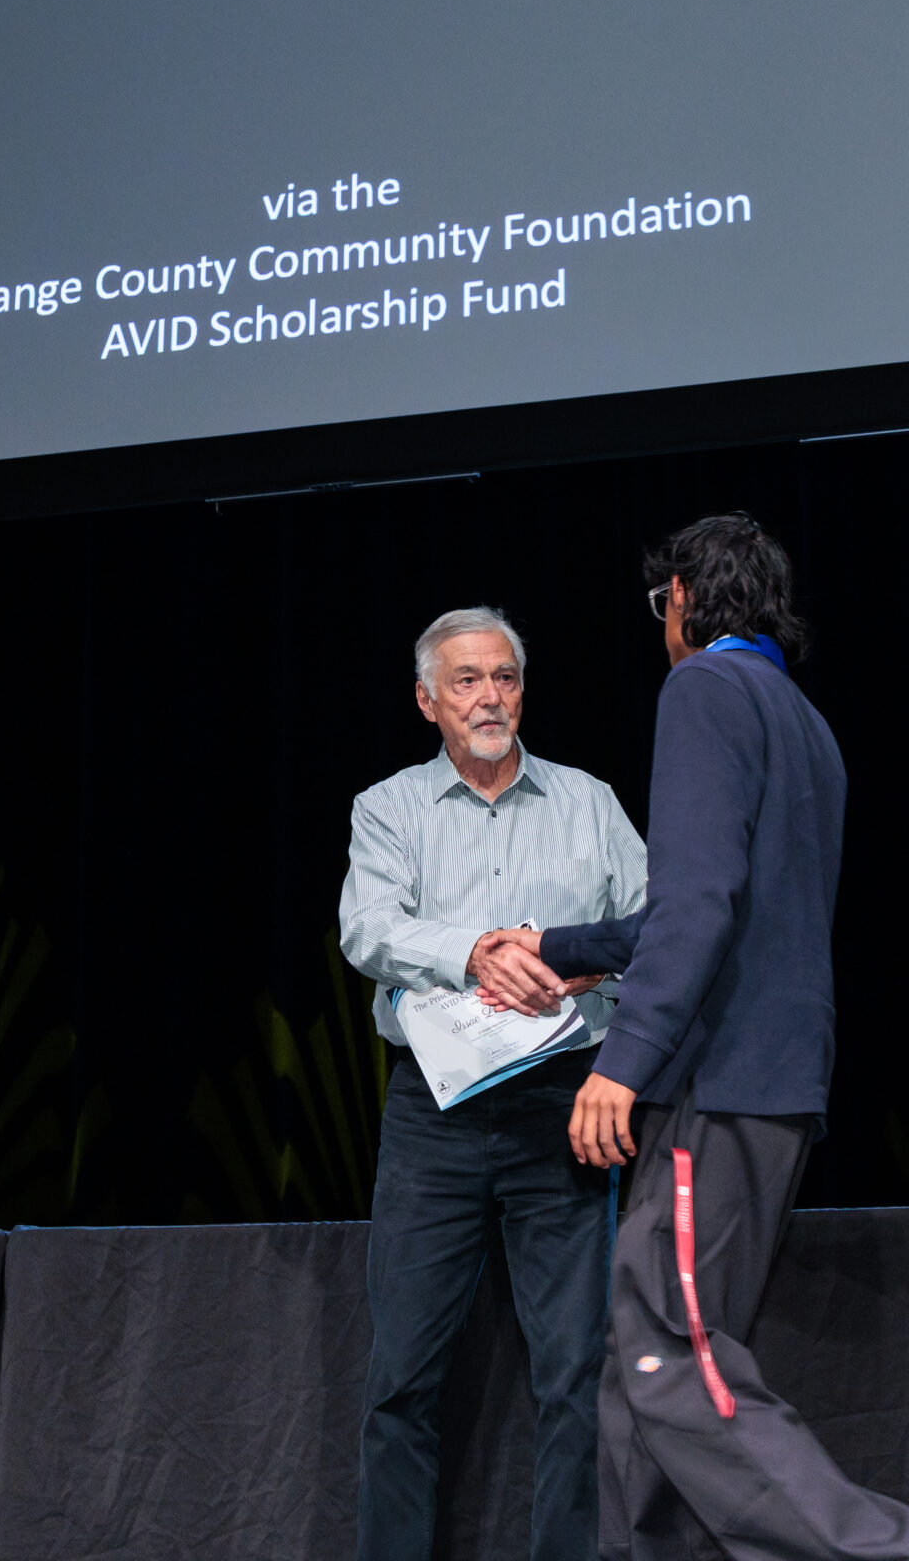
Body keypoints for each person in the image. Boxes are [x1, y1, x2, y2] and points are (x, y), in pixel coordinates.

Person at [500, 518, 909, 1561]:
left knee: (677, 1360)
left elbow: (700, 903)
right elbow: (711, 901)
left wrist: (619, 1061)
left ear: (680, 597)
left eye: (657, 606)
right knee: (640, 1380)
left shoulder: (705, 691)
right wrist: (562, 945)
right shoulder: (802, 718)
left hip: (715, 1083)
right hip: (774, 1081)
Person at [339, 607, 650, 1561]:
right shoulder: (388, 808)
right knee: (401, 1378)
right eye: (468, 680)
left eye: (506, 678)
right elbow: (367, 931)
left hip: (564, 1106)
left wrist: (587, 962)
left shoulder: (589, 803)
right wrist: (476, 951)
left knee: (575, 1372)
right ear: (428, 700)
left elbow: (659, 930)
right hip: (435, 1114)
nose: (491, 697)